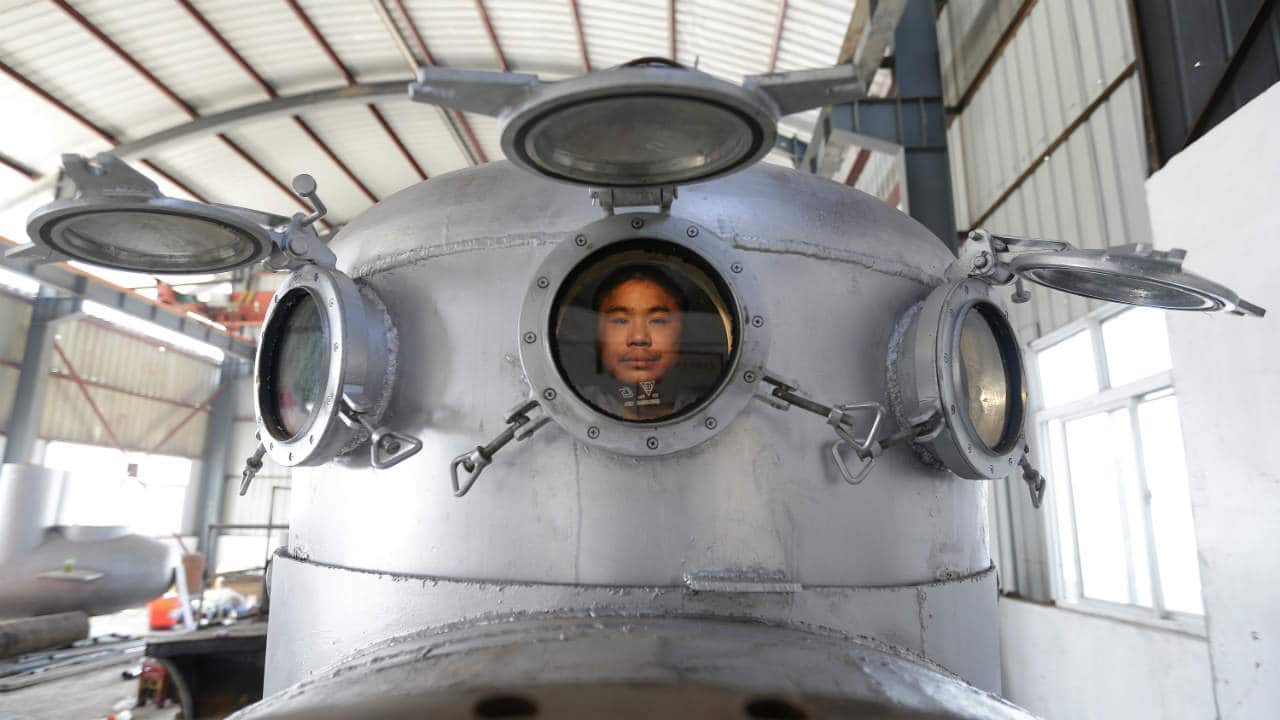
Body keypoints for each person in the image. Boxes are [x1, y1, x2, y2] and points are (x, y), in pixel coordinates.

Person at [585, 265, 697, 420]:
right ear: (598, 338)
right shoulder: (567, 408)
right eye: (620, 320)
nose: (638, 338)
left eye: (657, 321)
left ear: (682, 337)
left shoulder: (710, 409)